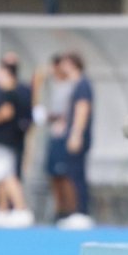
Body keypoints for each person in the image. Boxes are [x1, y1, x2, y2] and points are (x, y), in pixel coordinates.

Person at [0, 61, 35, 228]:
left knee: (8, 175)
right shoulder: (5, 91)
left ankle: (21, 209)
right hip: (0, 140)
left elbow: (7, 113)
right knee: (0, 176)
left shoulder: (11, 92)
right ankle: (2, 209)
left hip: (6, 139)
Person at [55, 52, 95, 230]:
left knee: (77, 174)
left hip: (78, 136)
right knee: (72, 172)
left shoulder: (82, 84)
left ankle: (82, 212)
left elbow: (82, 109)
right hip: (72, 133)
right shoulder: (76, 85)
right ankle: (76, 211)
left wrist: (76, 133)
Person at [39, 54, 78, 223]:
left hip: (65, 136)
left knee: (65, 174)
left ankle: (71, 211)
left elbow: (68, 113)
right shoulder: (54, 86)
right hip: (54, 135)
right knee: (53, 174)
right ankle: (60, 210)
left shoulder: (73, 86)